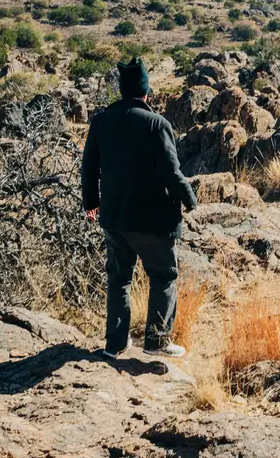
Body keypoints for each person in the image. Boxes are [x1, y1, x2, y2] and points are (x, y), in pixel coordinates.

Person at [81, 57, 198, 359]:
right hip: (151, 220)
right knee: (163, 275)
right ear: (146, 92)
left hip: (113, 217)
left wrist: (91, 202)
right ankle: (157, 341)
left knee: (119, 277)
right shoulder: (156, 124)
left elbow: (89, 168)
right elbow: (171, 173)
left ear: (122, 90)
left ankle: (115, 344)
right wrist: (189, 198)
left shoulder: (101, 121)